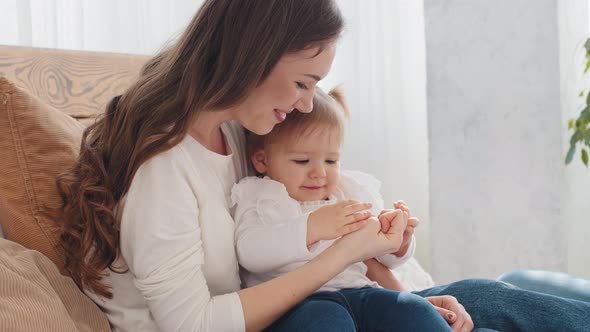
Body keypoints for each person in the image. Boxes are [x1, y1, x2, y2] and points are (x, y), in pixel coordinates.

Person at [54, 0, 590, 331]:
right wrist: (346, 254)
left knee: (487, 296)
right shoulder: (162, 171)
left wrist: (396, 287)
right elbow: (194, 324)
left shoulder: (241, 135)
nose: (309, 104)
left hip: (323, 304)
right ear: (252, 56)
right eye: (304, 83)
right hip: (299, 320)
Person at [232, 87, 452, 331]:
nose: (320, 173)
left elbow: (379, 259)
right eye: (302, 161)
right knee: (326, 322)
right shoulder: (261, 196)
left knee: (413, 309)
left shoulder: (349, 192)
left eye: (331, 161)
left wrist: (397, 245)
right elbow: (250, 253)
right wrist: (312, 227)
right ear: (261, 160)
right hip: (300, 304)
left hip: (361, 292)